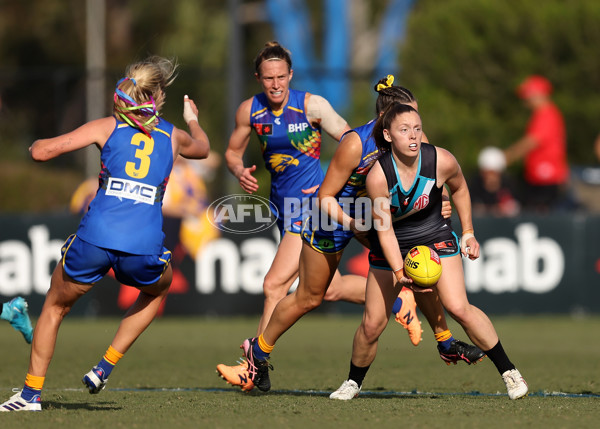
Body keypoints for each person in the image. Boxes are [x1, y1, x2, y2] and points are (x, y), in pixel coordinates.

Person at [235, 77, 484, 393]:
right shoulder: (356, 143)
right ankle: (258, 350)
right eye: (405, 120)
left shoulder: (412, 136)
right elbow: (326, 195)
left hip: (377, 217)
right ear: (385, 122)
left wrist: (444, 199)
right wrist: (352, 222)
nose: (414, 129)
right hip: (332, 218)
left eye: (416, 122)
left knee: (415, 263)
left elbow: (432, 172)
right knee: (310, 297)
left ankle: (445, 341)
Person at [0, 56, 210, 412]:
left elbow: (40, 152)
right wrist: (193, 120)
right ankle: (104, 366)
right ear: (158, 99)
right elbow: (202, 148)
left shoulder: (107, 127)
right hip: (143, 248)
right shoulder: (174, 136)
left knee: (54, 307)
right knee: (158, 290)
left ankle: (30, 396)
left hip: (95, 240)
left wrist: (35, 140)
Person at [217, 44, 422, 388]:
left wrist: (342, 188)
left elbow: (350, 140)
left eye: (282, 76)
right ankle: (399, 301)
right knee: (326, 290)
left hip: (311, 206)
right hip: (283, 205)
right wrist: (238, 170)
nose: (276, 84)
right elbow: (232, 152)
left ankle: (253, 366)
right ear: (258, 78)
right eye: (268, 78)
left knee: (274, 285)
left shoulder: (312, 105)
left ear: (291, 75)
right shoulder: (249, 111)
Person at [327, 102, 528, 400]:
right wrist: (398, 271)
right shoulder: (378, 177)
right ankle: (353, 382)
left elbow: (459, 188)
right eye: (404, 130)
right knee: (372, 325)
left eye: (417, 129)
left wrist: (468, 232)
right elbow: (383, 231)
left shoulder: (441, 160)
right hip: (392, 242)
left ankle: (510, 373)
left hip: (434, 236)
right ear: (387, 135)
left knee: (459, 307)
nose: (412, 136)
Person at [503, 75, 568, 212]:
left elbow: (532, 141)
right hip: (537, 177)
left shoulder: (547, 114)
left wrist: (508, 156)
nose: (525, 100)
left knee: (539, 213)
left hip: (546, 178)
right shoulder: (540, 115)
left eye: (528, 95)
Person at [469, 146, 520, 217]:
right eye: (487, 173)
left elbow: (516, 207)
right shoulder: (475, 186)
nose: (490, 177)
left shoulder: (509, 186)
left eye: (493, 173)